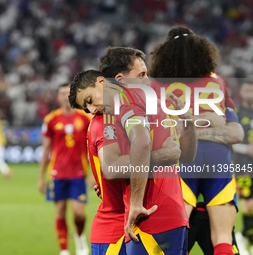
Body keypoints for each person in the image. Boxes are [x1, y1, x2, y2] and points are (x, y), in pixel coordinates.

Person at [69, 67, 197, 255]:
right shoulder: (105, 120)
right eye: (86, 106)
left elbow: (184, 156)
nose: (92, 109)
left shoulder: (140, 111)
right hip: (118, 228)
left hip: (152, 218)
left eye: (89, 101)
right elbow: (112, 169)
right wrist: (161, 156)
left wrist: (187, 124)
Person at [149, 26, 244, 255]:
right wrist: (207, 122)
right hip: (218, 158)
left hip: (181, 158)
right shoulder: (216, 82)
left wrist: (186, 129)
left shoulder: (157, 85)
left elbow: (153, 129)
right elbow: (230, 128)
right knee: (222, 238)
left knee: (175, 236)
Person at [38, 83, 91, 255]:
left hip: (78, 174)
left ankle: (79, 236)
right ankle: (64, 250)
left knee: (79, 213)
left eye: (69, 93)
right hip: (57, 174)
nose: (65, 96)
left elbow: (94, 147)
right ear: (58, 97)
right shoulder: (51, 119)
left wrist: (95, 174)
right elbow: (46, 149)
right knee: (60, 211)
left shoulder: (85, 118)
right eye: (62, 93)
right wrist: (41, 177)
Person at [233, 77, 253, 255]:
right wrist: (246, 148)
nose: (251, 94)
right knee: (248, 205)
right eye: (248, 90)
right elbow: (229, 141)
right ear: (242, 92)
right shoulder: (237, 114)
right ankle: (244, 235)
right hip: (244, 166)